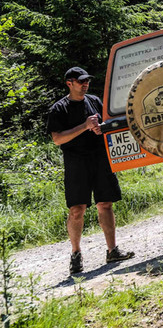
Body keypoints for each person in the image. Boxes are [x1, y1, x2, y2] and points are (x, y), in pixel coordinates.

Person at [47, 67, 134, 275]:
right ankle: (76, 254)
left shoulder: (94, 100)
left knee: (106, 203)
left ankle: (112, 250)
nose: (85, 84)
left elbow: (107, 123)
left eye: (87, 80)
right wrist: (85, 126)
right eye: (80, 81)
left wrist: (100, 128)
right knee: (77, 209)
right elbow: (57, 139)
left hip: (101, 158)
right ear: (69, 83)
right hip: (76, 162)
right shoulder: (59, 108)